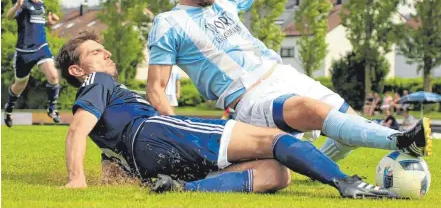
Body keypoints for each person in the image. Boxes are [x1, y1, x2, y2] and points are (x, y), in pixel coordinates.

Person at [145, 0, 432, 163]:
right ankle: (403, 140)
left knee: (350, 123)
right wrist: (179, 134)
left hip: (282, 73)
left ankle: (305, 169)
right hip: (250, 96)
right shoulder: (168, 23)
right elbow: (157, 88)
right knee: (313, 111)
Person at [55, 31, 398, 199]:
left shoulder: (98, 99)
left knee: (277, 174)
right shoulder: (96, 81)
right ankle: (346, 183)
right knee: (274, 140)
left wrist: (113, 175)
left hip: (149, 157)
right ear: (77, 68)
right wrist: (75, 178)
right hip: (158, 132)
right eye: (97, 53)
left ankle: (185, 189)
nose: (107, 55)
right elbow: (75, 132)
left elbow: (109, 158)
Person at [3, 0, 61, 127]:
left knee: (53, 76)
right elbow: (8, 16)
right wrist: (16, 5)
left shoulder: (41, 5)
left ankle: (52, 109)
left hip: (41, 48)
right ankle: (8, 110)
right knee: (19, 85)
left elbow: (39, 24)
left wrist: (50, 22)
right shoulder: (23, 4)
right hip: (24, 52)